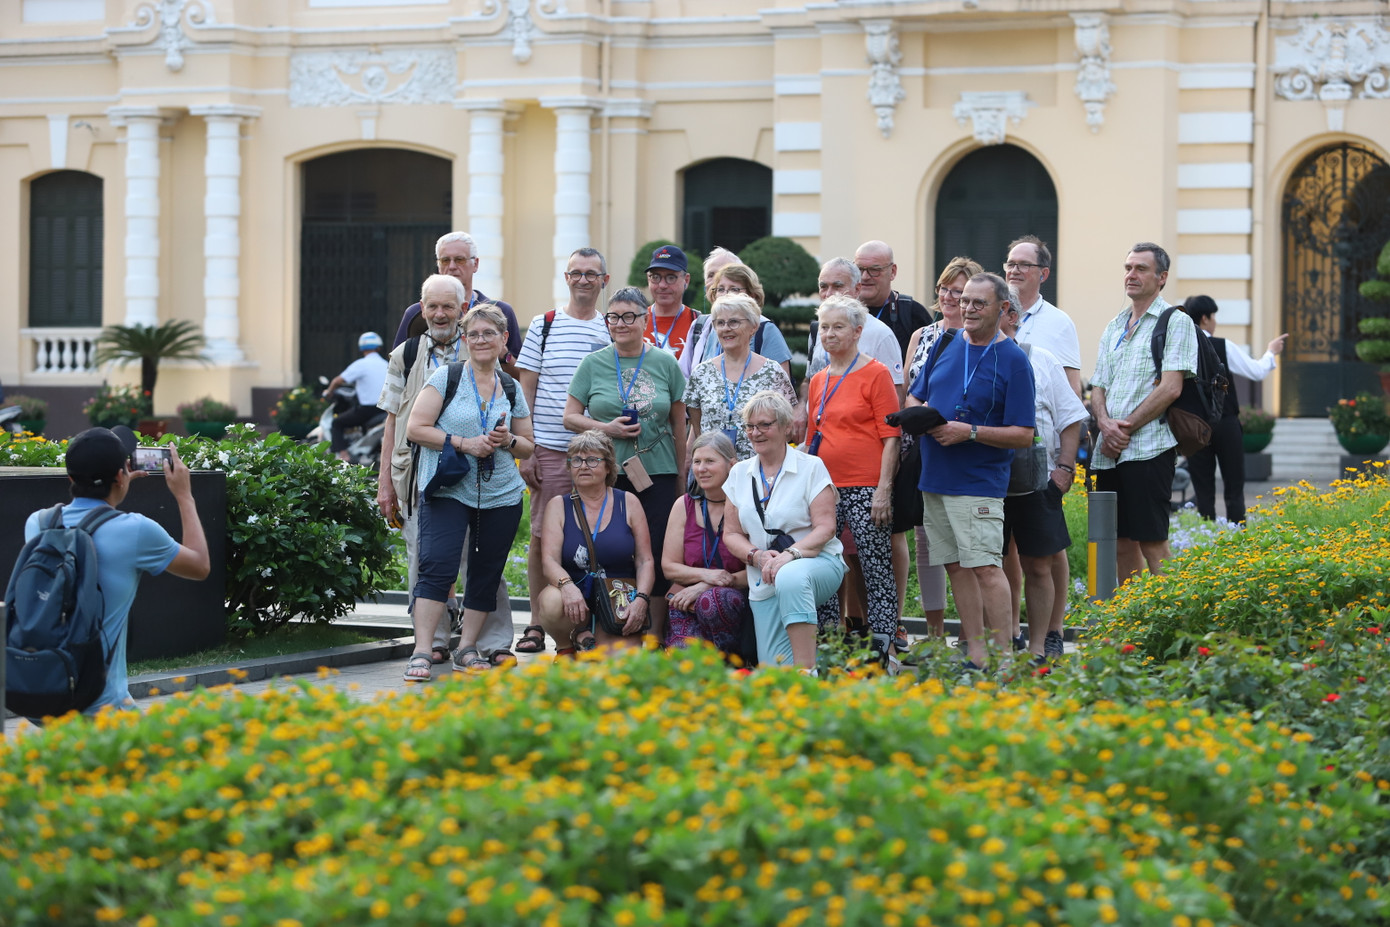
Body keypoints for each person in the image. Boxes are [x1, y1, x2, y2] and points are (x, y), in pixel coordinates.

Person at [20, 426, 210, 717]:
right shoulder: (136, 530)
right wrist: (184, 495)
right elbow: (199, 566)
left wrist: (114, 487)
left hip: (46, 704)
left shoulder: (39, 523)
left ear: (70, 478)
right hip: (104, 710)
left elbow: (85, 521)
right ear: (121, 475)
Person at [377, 275, 515, 667]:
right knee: (428, 557)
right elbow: (393, 421)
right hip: (423, 474)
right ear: (421, 309)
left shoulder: (479, 341)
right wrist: (385, 480)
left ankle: (491, 642)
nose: (440, 314)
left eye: (448, 307)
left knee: (485, 560)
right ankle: (434, 642)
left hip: (485, 476)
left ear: (462, 311)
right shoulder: (404, 355)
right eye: (432, 306)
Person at [905, 272, 1036, 669]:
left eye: (979, 303)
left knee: (984, 567)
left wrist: (971, 432)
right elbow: (918, 391)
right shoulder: (946, 343)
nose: (968, 309)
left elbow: (1024, 435)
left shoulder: (1013, 360)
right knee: (955, 567)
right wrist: (918, 415)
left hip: (977, 483)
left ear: (1003, 309)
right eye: (964, 301)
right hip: (935, 477)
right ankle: (977, 656)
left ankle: (1003, 658)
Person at [401, 305, 535, 680]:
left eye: (488, 334)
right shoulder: (447, 377)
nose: (480, 340)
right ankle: (423, 650)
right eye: (473, 334)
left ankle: (466, 648)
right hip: (449, 489)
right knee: (437, 567)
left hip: (501, 495)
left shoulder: (510, 385)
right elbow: (416, 428)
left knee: (486, 573)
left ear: (503, 339)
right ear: (465, 339)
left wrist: (506, 439)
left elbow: (528, 445)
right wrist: (464, 443)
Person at [565, 286, 687, 640]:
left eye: (629, 316)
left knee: (661, 550)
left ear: (645, 319)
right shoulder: (594, 362)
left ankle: (655, 635)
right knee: (611, 549)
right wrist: (606, 428)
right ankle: (609, 627)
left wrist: (681, 475)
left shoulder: (665, 362)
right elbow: (570, 417)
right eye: (614, 317)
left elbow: (679, 423)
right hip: (607, 475)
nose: (620, 324)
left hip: (658, 471)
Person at [1089, 243, 1198, 580]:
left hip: (1149, 447)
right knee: (1118, 542)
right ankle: (1131, 625)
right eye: (1127, 268)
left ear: (1162, 277)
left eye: (1140, 269)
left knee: (1153, 541)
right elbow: (1098, 388)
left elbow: (1171, 387)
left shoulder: (1176, 321)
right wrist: (1105, 425)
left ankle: (1170, 624)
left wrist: (1123, 429)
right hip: (1108, 453)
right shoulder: (1114, 326)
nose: (1131, 275)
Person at [517, 247, 613, 625]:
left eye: (592, 273)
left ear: (604, 281)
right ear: (567, 278)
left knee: (598, 535)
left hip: (599, 453)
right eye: (576, 273)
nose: (584, 280)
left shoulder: (611, 327)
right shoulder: (545, 325)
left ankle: (594, 620)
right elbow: (526, 393)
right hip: (551, 451)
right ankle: (539, 623)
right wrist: (527, 451)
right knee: (544, 536)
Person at [802, 294, 902, 657]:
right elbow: (813, 437)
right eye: (824, 327)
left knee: (875, 567)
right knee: (826, 566)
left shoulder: (876, 374)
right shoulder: (818, 380)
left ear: (858, 331)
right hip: (825, 488)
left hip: (865, 486)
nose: (829, 334)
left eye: (838, 327)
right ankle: (827, 645)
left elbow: (892, 437)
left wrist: (883, 489)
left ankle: (884, 648)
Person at [720, 391, 846, 672]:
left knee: (790, 576)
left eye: (765, 425)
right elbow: (731, 534)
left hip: (817, 563)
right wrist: (757, 556)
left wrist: (790, 554)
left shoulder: (811, 467)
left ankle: (807, 671)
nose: (756, 433)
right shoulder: (739, 473)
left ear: (787, 426)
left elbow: (826, 527)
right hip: (763, 577)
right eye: (750, 426)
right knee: (775, 671)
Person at [999, 291, 1087, 662]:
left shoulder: (1042, 359)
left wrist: (1064, 470)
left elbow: (1071, 417)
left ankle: (1041, 644)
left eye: (989, 307)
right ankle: (1001, 642)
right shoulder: (965, 357)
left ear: (1013, 317)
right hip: (984, 481)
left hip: (1037, 480)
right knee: (990, 566)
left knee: (1040, 563)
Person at [899, 257, 984, 636]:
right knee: (926, 539)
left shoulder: (979, 340)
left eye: (960, 291)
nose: (950, 297)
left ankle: (973, 632)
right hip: (922, 446)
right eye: (945, 289)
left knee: (969, 543)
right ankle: (933, 632)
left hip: (966, 445)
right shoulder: (922, 335)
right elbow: (907, 393)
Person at [534, 430, 655, 654]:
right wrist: (567, 586)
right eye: (576, 460)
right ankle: (566, 646)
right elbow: (549, 560)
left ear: (608, 466)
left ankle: (593, 637)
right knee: (551, 601)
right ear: (569, 467)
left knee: (617, 662)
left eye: (592, 459)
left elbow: (645, 560)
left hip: (616, 597)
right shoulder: (558, 506)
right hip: (574, 597)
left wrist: (641, 599)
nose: (583, 466)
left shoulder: (628, 502)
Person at [1181, 294, 1286, 524]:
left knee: (1203, 489)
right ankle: (1237, 538)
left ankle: (1204, 538)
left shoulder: (1180, 349)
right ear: (1205, 318)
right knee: (1234, 486)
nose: (1215, 321)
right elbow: (1256, 371)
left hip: (1195, 426)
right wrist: (1271, 351)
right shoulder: (1221, 345)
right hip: (1226, 422)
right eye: (1214, 316)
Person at [661, 432, 752, 657]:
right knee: (683, 664)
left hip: (732, 602)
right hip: (687, 602)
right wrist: (707, 576)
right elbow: (669, 567)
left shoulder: (746, 506)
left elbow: (756, 570)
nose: (701, 469)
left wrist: (709, 586)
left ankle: (730, 661)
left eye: (710, 461)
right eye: (697, 461)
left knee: (713, 600)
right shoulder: (683, 506)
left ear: (732, 465)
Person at [683, 293, 797, 460]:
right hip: (715, 472)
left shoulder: (772, 371)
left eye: (734, 322)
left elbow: (787, 428)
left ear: (753, 327)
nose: (726, 328)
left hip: (760, 470)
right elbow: (697, 426)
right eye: (720, 323)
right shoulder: (701, 373)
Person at [392, 231, 522, 377]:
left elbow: (521, 377)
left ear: (476, 264)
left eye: (459, 260)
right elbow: (396, 369)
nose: (452, 266)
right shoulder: (416, 313)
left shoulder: (500, 311)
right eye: (445, 260)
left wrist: (504, 356)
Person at [683, 255, 794, 380]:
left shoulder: (765, 329)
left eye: (734, 289)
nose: (725, 295)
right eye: (720, 289)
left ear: (751, 295)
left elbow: (781, 389)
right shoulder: (706, 327)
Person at [1003, 235, 1082, 396]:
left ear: (1043, 274)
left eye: (1024, 265)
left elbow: (1072, 390)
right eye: (1011, 264)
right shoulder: (992, 315)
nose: (1014, 271)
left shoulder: (1060, 322)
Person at [854, 239, 932, 360]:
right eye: (859, 269)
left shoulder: (912, 314)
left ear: (893, 272)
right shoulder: (843, 313)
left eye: (874, 270)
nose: (865, 277)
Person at [322, 331, 388, 460]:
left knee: (336, 423)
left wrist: (328, 392)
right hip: (385, 408)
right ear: (379, 347)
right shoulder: (386, 364)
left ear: (361, 348)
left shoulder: (361, 364)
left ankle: (343, 455)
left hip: (368, 411)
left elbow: (337, 381)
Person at [642, 245, 701, 363]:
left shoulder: (698, 324)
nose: (662, 285)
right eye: (655, 277)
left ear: (686, 280)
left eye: (671, 277)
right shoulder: (636, 320)